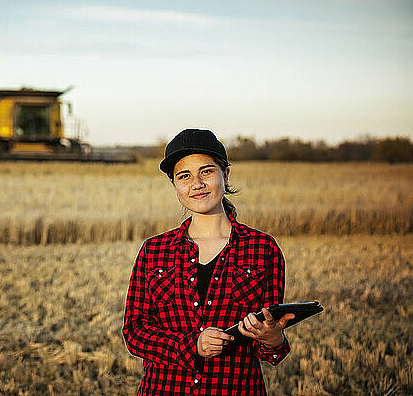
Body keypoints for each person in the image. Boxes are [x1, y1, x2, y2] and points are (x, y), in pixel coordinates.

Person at [122, 128, 295, 396]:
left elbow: (266, 344)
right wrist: (193, 346)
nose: (196, 184)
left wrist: (273, 338)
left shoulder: (262, 248)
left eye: (206, 171)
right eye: (184, 176)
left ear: (225, 174)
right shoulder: (154, 250)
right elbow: (135, 332)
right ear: (175, 185)